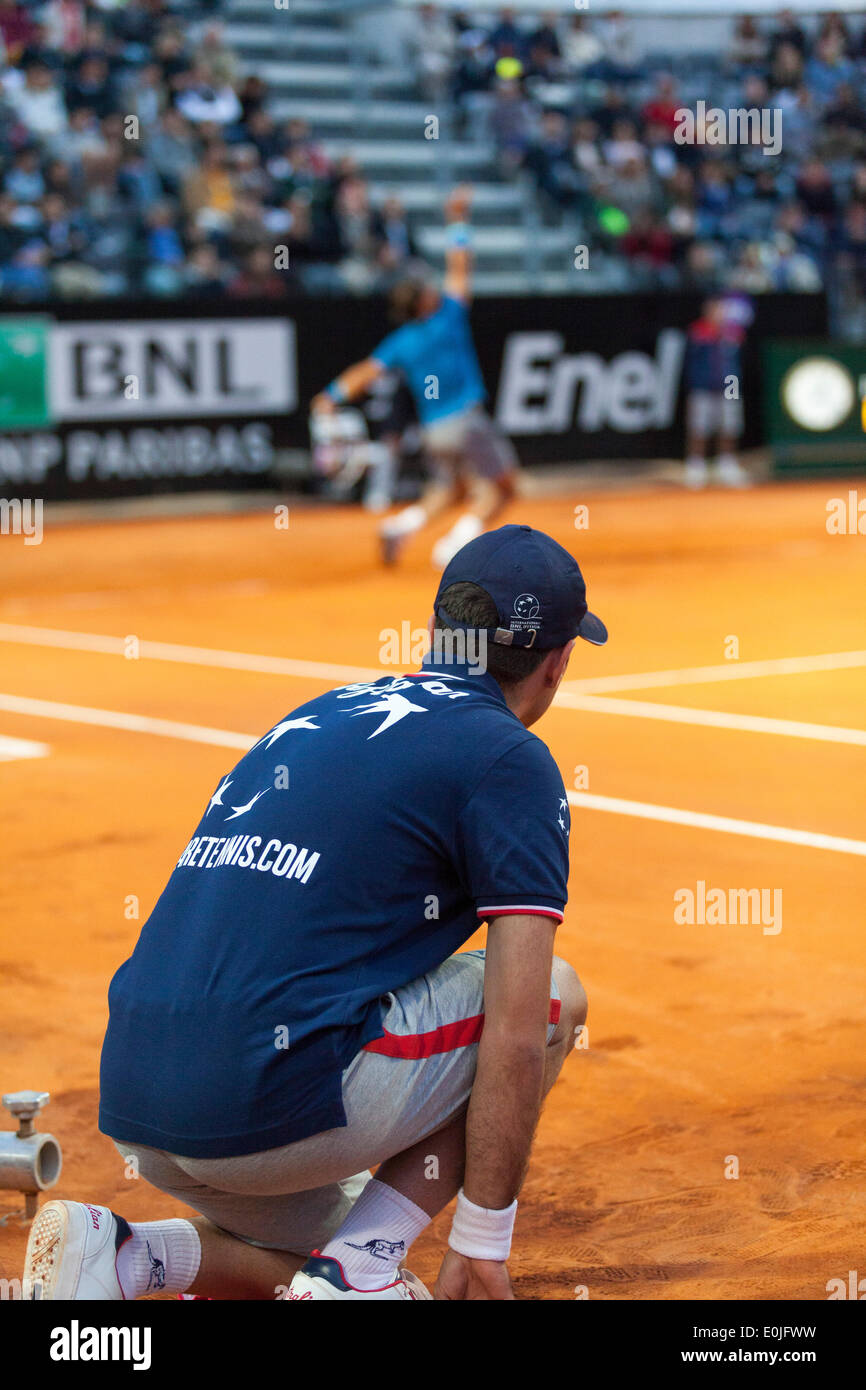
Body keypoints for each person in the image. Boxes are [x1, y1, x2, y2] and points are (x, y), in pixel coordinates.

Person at [22, 524, 605, 1302]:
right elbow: (520, 1018)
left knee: (367, 1265)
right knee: (558, 995)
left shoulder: (323, 710)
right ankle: (356, 1269)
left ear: (438, 633)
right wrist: (482, 1238)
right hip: (269, 1103)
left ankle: (124, 1254)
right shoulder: (507, 758)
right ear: (559, 663)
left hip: (138, 1099)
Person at [311, 186, 520, 568]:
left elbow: (365, 373)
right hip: (467, 421)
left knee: (451, 489)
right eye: (426, 289)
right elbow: (460, 266)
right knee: (504, 489)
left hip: (433, 431)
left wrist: (329, 395)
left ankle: (399, 528)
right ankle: (453, 546)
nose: (432, 289)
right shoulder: (449, 316)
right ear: (422, 303)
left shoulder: (400, 341)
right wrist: (458, 218)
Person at [683, 295, 750, 488]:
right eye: (715, 310)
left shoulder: (734, 332)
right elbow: (693, 358)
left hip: (730, 385)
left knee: (730, 425)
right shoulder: (697, 331)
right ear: (707, 312)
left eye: (722, 310)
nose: (719, 314)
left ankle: (726, 464)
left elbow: (738, 357)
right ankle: (696, 467)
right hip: (702, 386)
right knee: (699, 426)